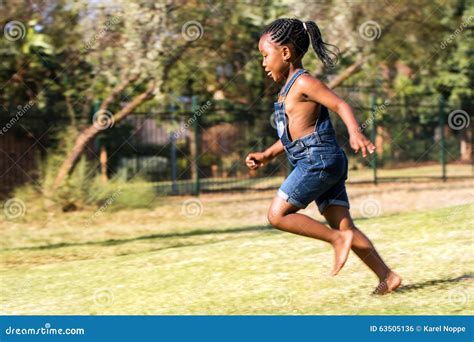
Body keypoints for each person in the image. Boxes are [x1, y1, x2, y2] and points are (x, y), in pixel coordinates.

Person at [245, 18, 401, 294]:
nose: (263, 63)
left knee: (277, 215)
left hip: (317, 160)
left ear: (285, 53)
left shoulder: (304, 82)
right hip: (322, 161)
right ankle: (386, 276)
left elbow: (340, 104)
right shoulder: (286, 91)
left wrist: (355, 132)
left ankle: (335, 240)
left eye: (265, 55)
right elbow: (293, 134)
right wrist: (266, 155)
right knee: (345, 225)